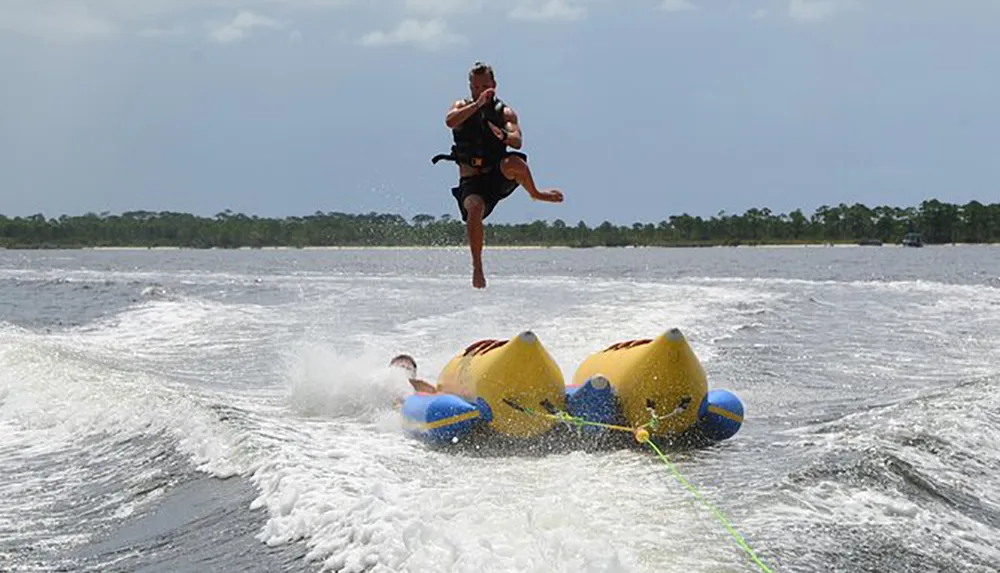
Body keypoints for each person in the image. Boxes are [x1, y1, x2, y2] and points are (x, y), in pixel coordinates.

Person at [432, 61, 564, 289]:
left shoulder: (504, 112)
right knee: (474, 208)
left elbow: (517, 139)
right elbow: (449, 121)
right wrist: (477, 105)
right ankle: (477, 267)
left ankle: (535, 193)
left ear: (494, 85)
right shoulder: (461, 106)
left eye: (484, 86)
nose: (479, 90)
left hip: (496, 175)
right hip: (472, 180)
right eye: (475, 87)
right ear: (470, 87)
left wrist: (502, 135)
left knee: (516, 162)